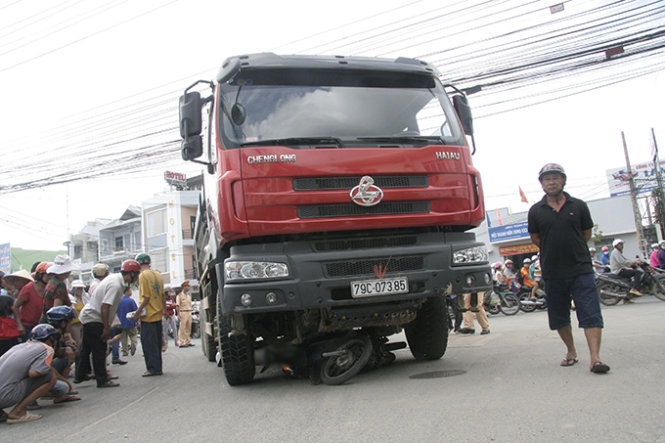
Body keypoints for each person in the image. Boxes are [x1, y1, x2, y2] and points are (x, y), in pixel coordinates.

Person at [527, 163, 609, 374]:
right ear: (542, 184)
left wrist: (573, 249)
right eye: (547, 179)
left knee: (590, 313)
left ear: (563, 180)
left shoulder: (579, 206)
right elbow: (537, 238)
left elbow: (586, 233)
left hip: (581, 269)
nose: (552, 182)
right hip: (553, 272)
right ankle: (571, 351)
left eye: (555, 178)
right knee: (559, 316)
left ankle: (595, 359)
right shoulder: (536, 211)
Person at [75, 259, 141, 387]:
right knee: (99, 349)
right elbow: (105, 306)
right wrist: (106, 327)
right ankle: (102, 379)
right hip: (95, 318)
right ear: (131, 273)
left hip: (90, 316)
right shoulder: (116, 285)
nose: (137, 278)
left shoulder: (116, 279)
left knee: (86, 348)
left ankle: (80, 375)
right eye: (136, 274)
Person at [0, 324, 73, 424]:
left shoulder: (18, 346)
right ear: (51, 338)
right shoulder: (47, 349)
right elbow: (34, 373)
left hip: (4, 391)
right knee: (50, 377)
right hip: (5, 396)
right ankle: (18, 412)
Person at [132, 253, 165, 377]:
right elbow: (162, 295)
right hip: (157, 314)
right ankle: (158, 367)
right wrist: (164, 310)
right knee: (156, 344)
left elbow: (146, 297)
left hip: (148, 316)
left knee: (148, 345)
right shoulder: (157, 274)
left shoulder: (143, 276)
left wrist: (137, 313)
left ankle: (152, 369)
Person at [13, 262, 51, 340]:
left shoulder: (49, 289)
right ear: (41, 275)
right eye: (48, 275)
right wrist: (19, 325)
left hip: (43, 326)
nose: (50, 277)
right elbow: (15, 307)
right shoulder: (28, 288)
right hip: (28, 327)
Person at [42, 255, 79, 322]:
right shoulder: (60, 285)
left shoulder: (51, 281)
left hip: (46, 319)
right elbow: (57, 310)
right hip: (55, 323)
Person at [609, 238, 644, 303]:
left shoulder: (618, 252)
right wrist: (634, 262)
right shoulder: (615, 252)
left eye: (622, 244)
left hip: (621, 269)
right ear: (616, 245)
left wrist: (634, 262)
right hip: (618, 271)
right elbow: (622, 262)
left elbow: (626, 260)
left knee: (629, 283)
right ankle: (634, 289)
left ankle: (626, 299)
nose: (622, 246)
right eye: (620, 244)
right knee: (638, 273)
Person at [116, 286, 138, 357]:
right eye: (130, 290)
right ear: (127, 291)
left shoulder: (118, 301)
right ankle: (133, 344)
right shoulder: (131, 301)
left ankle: (125, 351)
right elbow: (135, 311)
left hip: (121, 322)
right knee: (133, 335)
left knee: (123, 338)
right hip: (130, 321)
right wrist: (137, 320)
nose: (131, 291)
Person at [69, 279, 87, 347]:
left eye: (81, 289)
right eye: (78, 289)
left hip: (84, 323)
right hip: (74, 324)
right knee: (78, 343)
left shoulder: (85, 298)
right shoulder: (71, 299)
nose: (80, 290)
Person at [176, 280, 194, 348]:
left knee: (188, 327)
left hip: (189, 311)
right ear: (184, 287)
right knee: (182, 328)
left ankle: (187, 341)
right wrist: (178, 314)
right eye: (187, 286)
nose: (189, 288)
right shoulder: (179, 296)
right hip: (183, 312)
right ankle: (181, 342)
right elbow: (177, 305)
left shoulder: (188, 296)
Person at [162, 286, 178, 351]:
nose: (170, 293)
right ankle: (165, 343)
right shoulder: (163, 299)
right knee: (165, 330)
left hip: (171, 315)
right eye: (169, 292)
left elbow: (174, 305)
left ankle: (176, 341)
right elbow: (164, 307)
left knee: (174, 328)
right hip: (165, 316)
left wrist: (170, 306)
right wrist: (170, 306)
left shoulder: (171, 299)